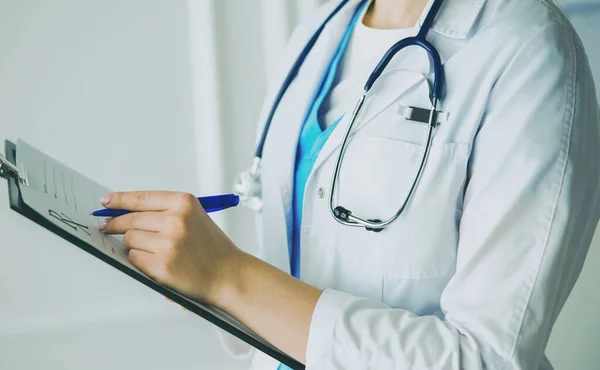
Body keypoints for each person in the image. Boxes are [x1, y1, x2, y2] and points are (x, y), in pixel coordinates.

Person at [98, 0, 600, 368]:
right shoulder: (321, 26)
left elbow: (487, 358)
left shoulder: (529, 49)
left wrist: (228, 277)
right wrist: (203, 280)